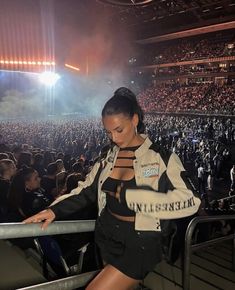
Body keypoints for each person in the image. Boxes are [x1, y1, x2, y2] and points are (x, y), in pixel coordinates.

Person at [23, 87, 201, 290]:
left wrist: (134, 197)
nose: (114, 138)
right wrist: (54, 210)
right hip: (106, 237)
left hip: (141, 242)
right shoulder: (108, 155)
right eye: (108, 132)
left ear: (134, 120)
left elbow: (191, 200)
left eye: (119, 130)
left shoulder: (162, 157)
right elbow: (87, 190)